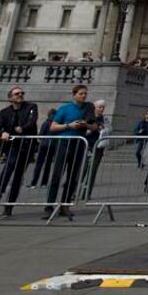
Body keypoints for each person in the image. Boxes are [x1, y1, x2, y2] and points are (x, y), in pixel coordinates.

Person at [45, 85, 96, 219]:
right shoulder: (64, 109)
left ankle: (65, 205)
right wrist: (69, 125)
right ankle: (49, 206)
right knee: (57, 175)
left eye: (85, 93)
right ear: (74, 94)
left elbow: (94, 126)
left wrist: (85, 125)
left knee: (72, 177)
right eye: (81, 93)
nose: (84, 96)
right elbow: (53, 127)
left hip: (78, 144)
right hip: (64, 143)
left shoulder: (88, 108)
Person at [0, 86, 39, 217]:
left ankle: (9, 206)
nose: (20, 95)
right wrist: (2, 133)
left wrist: (23, 128)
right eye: (17, 93)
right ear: (10, 98)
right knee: (10, 164)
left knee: (18, 176)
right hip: (12, 145)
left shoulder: (31, 107)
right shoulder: (5, 112)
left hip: (27, 146)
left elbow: (32, 121)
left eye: (22, 93)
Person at [82, 99, 109, 200]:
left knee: (92, 172)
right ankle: (74, 192)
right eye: (99, 107)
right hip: (86, 146)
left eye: (103, 107)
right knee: (82, 170)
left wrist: (103, 129)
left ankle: (87, 193)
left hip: (98, 148)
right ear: (95, 107)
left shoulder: (105, 119)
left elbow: (109, 129)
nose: (101, 109)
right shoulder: (89, 117)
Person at [27, 109, 57, 188]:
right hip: (52, 145)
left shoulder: (46, 123)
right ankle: (44, 183)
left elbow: (41, 134)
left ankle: (34, 183)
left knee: (39, 165)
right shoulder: (56, 124)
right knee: (48, 165)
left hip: (44, 145)